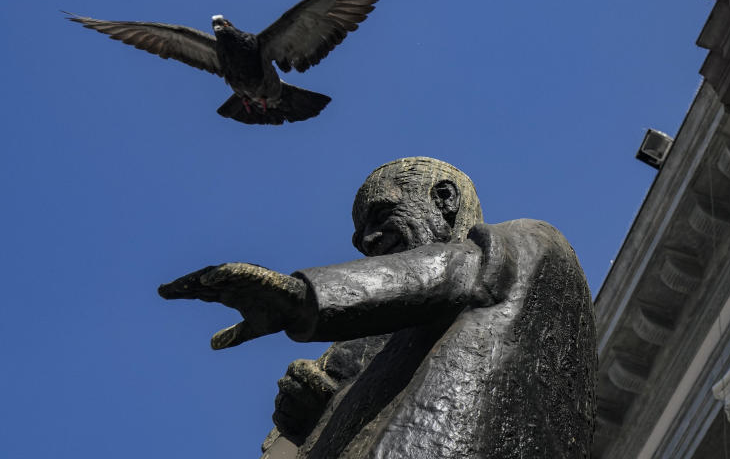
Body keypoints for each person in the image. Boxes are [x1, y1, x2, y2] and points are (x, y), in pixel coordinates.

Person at [160, 157, 596, 459]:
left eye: (383, 214)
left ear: (444, 199)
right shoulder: (379, 340)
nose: (368, 243)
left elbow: (453, 270)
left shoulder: (528, 242)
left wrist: (298, 299)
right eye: (358, 236)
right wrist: (313, 415)